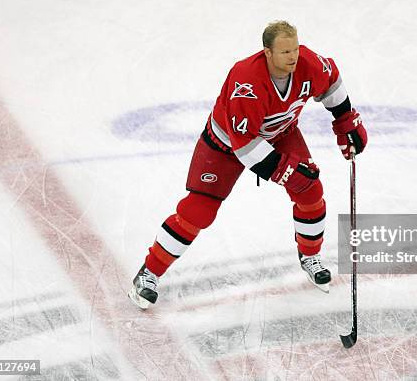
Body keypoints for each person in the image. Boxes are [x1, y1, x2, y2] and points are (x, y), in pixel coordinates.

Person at [128, 20, 367, 309]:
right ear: (267, 52)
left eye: (295, 49)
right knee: (198, 211)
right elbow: (245, 147)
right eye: (284, 52)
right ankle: (148, 273)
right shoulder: (246, 83)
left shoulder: (308, 62)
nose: (293, 57)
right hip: (226, 146)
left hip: (281, 133)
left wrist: (345, 120)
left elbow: (331, 81)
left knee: (311, 192)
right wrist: (286, 172)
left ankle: (310, 255)